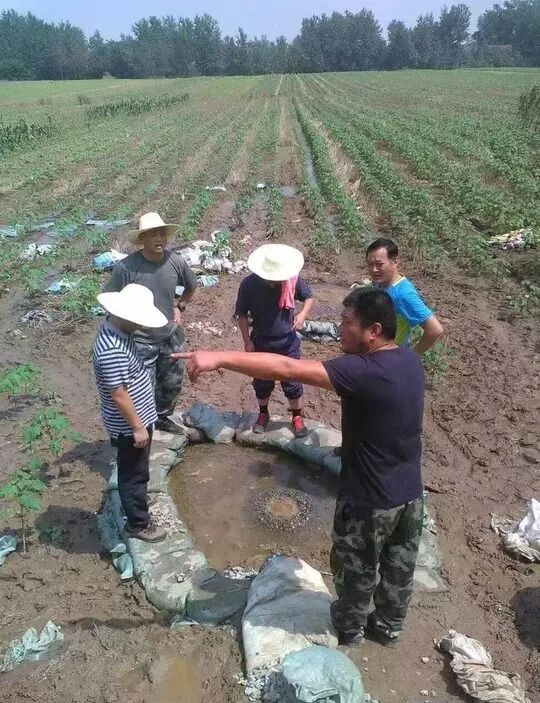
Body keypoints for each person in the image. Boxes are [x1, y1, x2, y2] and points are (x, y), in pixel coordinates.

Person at [173, 287, 425, 646]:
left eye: (347, 322)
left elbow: (287, 367)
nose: (340, 329)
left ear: (373, 331)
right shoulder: (409, 360)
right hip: (411, 493)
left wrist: (218, 357)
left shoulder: (364, 371)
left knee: (356, 568)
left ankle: (349, 629)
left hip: (370, 498)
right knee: (399, 567)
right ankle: (388, 628)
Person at [105, 212, 198, 434]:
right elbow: (110, 298)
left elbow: (191, 285)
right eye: (153, 235)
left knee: (172, 383)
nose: (160, 239)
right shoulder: (127, 268)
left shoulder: (175, 261)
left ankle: (163, 417)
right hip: (139, 339)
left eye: (162, 234)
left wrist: (180, 306)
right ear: (142, 239)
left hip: (169, 333)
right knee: (140, 387)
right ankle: (140, 427)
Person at [93, 284, 168, 543]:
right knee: (132, 474)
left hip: (138, 418)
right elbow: (119, 394)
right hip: (128, 425)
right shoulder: (112, 349)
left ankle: (138, 502)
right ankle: (138, 524)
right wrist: (137, 427)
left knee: (138, 468)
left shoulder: (118, 331)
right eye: (137, 320)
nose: (140, 325)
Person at [235, 243, 315, 438]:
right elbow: (241, 314)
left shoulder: (291, 280)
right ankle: (263, 414)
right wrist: (247, 341)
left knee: (292, 382)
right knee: (262, 382)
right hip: (261, 342)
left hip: (287, 342)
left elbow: (309, 297)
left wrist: (302, 315)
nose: (275, 281)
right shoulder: (249, 284)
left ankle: (297, 416)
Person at [366, 238, 443, 354]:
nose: (374, 270)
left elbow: (435, 330)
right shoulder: (382, 283)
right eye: (370, 264)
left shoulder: (403, 294)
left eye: (379, 264)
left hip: (388, 356)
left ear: (395, 262)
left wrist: (411, 357)